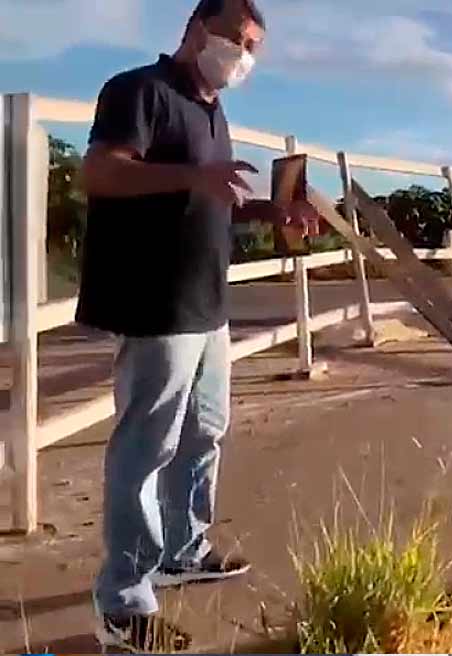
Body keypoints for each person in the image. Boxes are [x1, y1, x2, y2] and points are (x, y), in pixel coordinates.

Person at [78, 0, 314, 650]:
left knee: (205, 432)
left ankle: (184, 548)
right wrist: (191, 175)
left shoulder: (214, 114)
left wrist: (271, 212)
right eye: (236, 38)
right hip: (155, 306)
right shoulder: (139, 91)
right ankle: (122, 604)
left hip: (208, 306)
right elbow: (99, 171)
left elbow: (212, 202)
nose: (244, 55)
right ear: (193, 30)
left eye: (253, 46)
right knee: (145, 448)